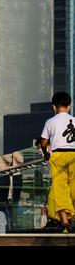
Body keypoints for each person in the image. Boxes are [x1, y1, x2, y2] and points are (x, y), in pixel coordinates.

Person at [40, 92, 75, 233]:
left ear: (53, 107)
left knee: (60, 188)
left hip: (58, 155)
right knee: (73, 187)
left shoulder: (50, 121)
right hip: (74, 154)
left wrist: (45, 152)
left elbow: (43, 141)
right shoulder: (74, 119)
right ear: (69, 106)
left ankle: (65, 223)